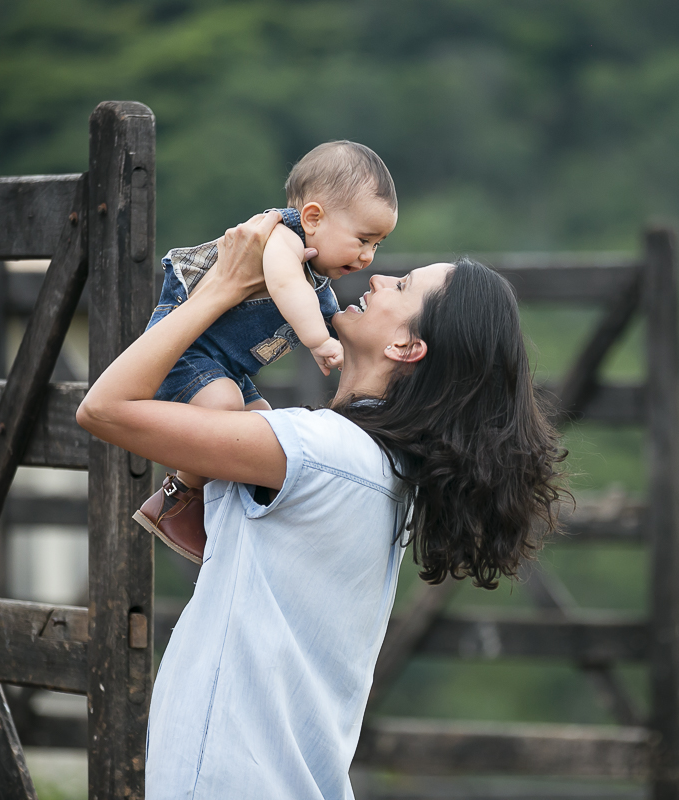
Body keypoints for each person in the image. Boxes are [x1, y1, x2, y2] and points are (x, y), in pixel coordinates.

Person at [75, 211, 565, 799]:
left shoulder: (318, 453)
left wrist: (220, 290)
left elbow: (103, 408)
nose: (380, 279)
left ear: (407, 346)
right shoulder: (375, 469)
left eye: (403, 286)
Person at [133, 141, 398, 565]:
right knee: (224, 404)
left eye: (378, 244)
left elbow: (326, 314)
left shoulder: (319, 282)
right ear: (313, 217)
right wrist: (317, 340)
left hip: (227, 365)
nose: (368, 256)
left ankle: (228, 519)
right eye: (363, 239)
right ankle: (178, 498)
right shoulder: (282, 238)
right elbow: (286, 286)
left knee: (264, 422)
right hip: (187, 347)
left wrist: (340, 351)